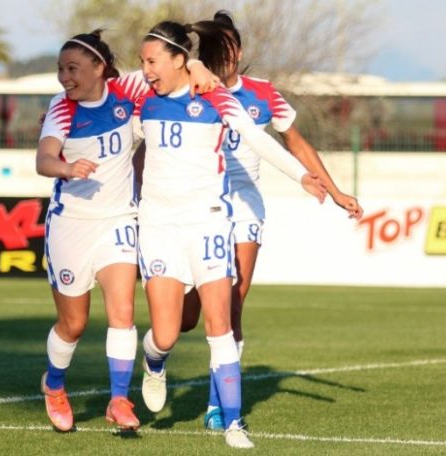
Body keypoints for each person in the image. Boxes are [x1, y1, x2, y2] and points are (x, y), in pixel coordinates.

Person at [135, 20, 326, 449]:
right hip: (160, 227)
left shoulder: (217, 97)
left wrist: (301, 176)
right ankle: (154, 361)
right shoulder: (140, 94)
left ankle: (233, 422)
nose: (145, 69)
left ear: (177, 60)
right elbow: (96, 93)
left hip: (209, 222)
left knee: (221, 322)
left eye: (152, 61)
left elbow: (260, 140)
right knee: (166, 334)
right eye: (142, 62)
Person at [173, 11, 364, 433]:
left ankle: (218, 404)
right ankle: (160, 348)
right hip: (197, 205)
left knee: (233, 303)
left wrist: (335, 191)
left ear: (239, 50)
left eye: (231, 46)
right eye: (218, 47)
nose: (226, 54)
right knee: (183, 321)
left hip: (244, 208)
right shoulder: (188, 88)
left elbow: (296, 142)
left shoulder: (263, 93)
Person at [36, 30, 218, 432]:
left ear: (99, 67)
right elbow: (44, 159)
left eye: (73, 69)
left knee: (122, 314)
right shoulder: (61, 108)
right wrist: (66, 167)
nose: (65, 77)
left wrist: (197, 64)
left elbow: (170, 65)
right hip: (71, 225)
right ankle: (55, 385)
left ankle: (119, 399)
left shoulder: (127, 90)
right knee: (74, 325)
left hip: (119, 220)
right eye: (60, 69)